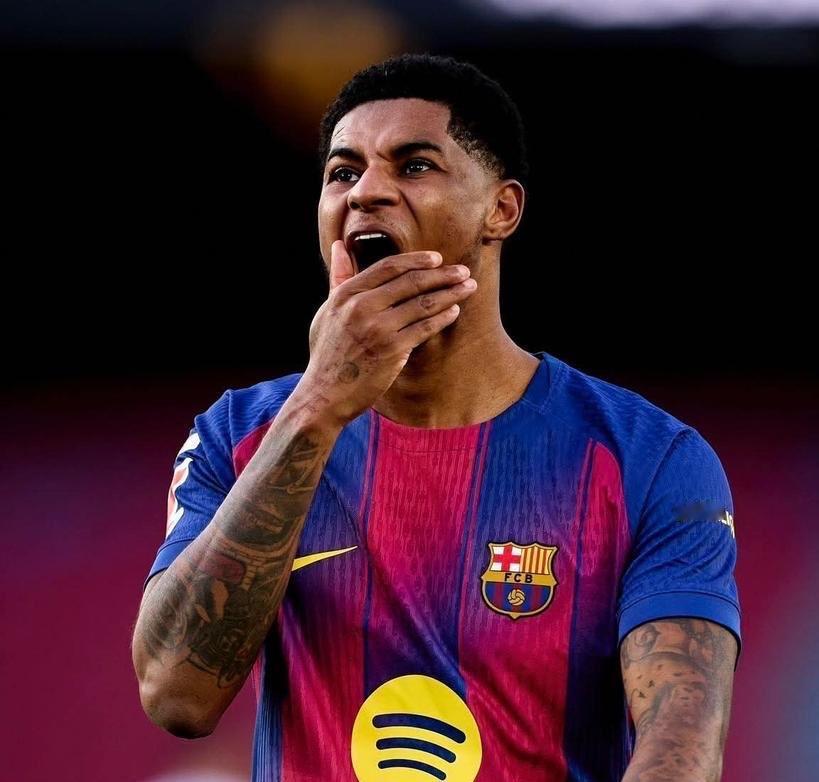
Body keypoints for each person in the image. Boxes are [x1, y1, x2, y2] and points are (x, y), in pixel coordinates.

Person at [132, 54, 741, 781]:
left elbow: (680, 753)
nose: (366, 192)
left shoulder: (648, 460)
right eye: (342, 172)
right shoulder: (239, 437)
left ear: (501, 210)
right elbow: (176, 694)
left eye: (414, 165)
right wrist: (317, 408)